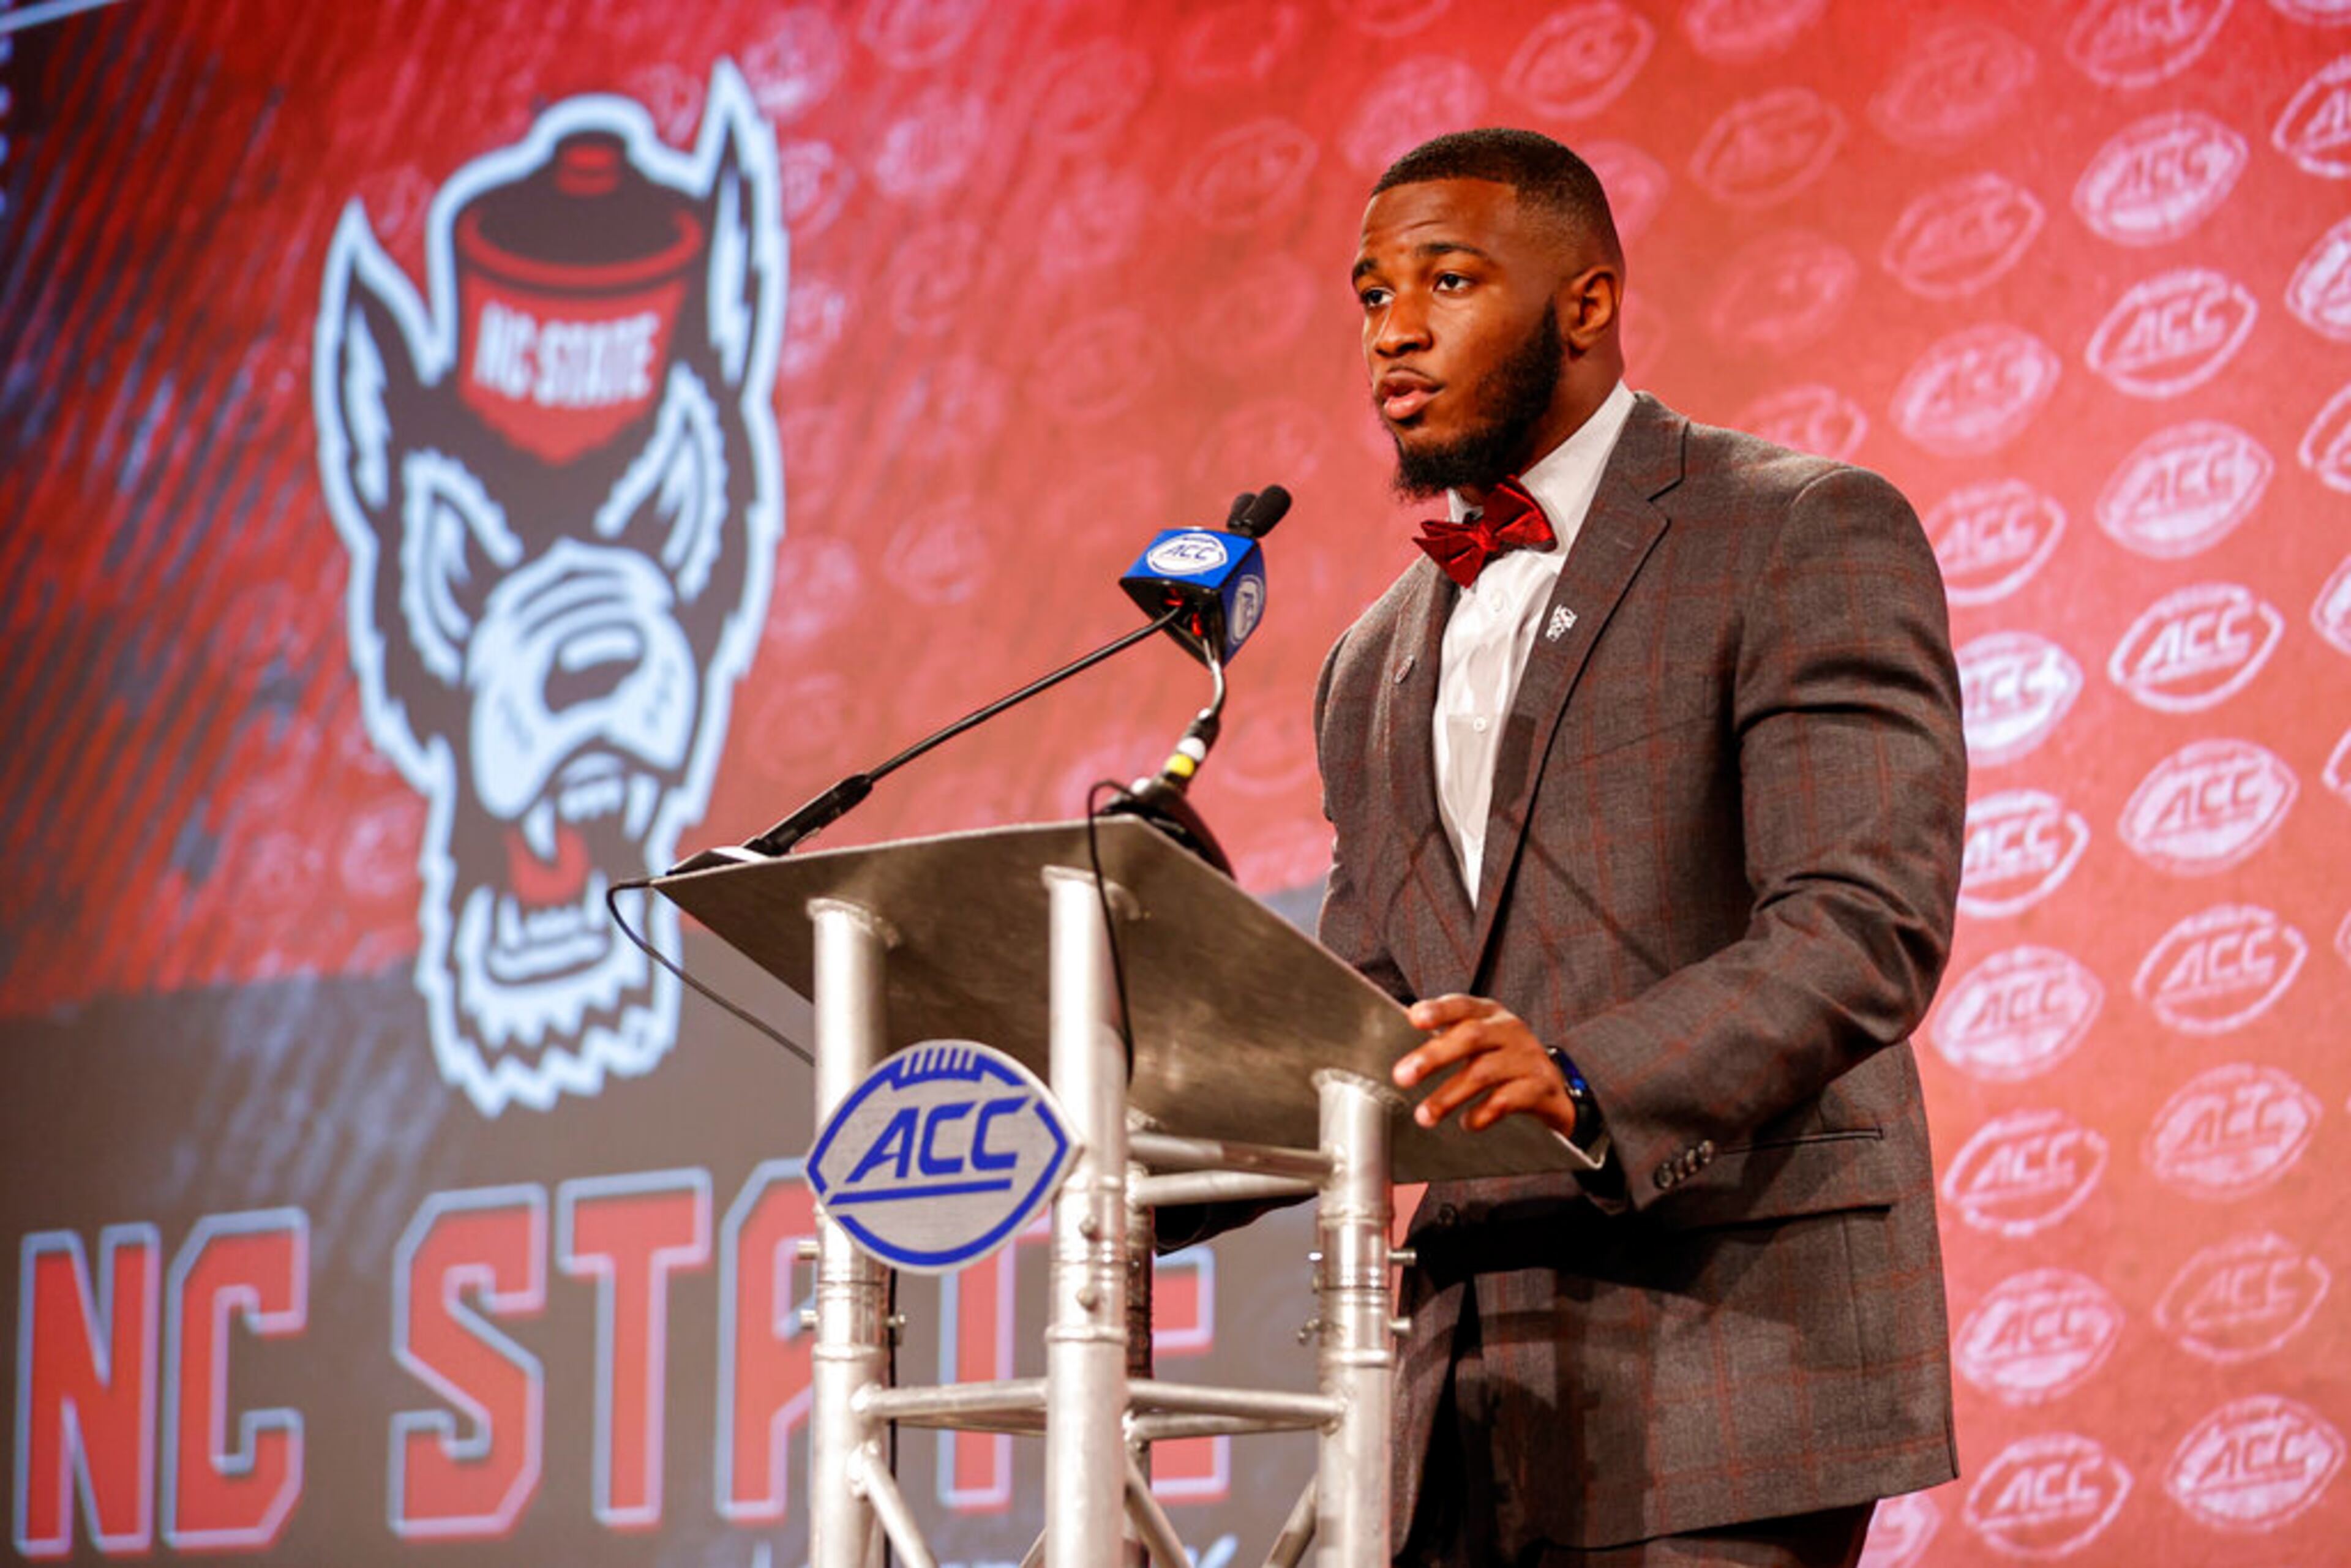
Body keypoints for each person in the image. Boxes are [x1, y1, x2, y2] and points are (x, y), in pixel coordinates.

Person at [1321, 129, 1968, 1566]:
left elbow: (1863, 923)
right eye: (1371, 295)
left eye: (1447, 278)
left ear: (1586, 304)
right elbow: (1357, 1025)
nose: (1396, 329)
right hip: (1462, 1394)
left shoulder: (1796, 528)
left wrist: (1576, 1077)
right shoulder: (1367, 662)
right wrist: (1138, 1095)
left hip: (1731, 1344)